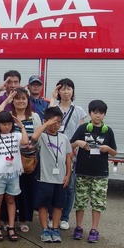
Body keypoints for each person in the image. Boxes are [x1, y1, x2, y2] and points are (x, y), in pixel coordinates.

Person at [70, 100, 118, 243]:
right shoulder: (83, 128)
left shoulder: (108, 131)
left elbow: (115, 152)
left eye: (101, 113)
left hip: (100, 173)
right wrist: (78, 143)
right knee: (80, 202)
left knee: (97, 203)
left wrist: (107, 149)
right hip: (83, 171)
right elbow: (70, 145)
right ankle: (78, 227)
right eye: (95, 112)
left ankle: (94, 229)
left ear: (104, 115)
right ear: (90, 113)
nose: (98, 116)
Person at [30, 107, 73, 243]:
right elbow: (34, 137)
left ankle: (55, 228)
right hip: (44, 177)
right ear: (46, 121)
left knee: (58, 205)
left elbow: (68, 158)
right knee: (43, 204)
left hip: (60, 178)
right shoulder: (42, 136)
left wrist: (68, 175)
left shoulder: (64, 138)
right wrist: (46, 125)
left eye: (59, 122)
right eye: (53, 122)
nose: (56, 125)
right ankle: (45, 229)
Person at [50, 78, 86, 230]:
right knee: (53, 186)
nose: (66, 92)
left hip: (72, 153)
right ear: (58, 91)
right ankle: (53, 216)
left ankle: (65, 217)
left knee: (70, 187)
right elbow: (48, 119)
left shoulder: (79, 111)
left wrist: (73, 150)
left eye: (69, 88)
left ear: (73, 91)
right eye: (63, 89)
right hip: (53, 153)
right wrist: (52, 97)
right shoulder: (55, 108)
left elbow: (81, 133)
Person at [0, 111, 29, 242]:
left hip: (13, 173)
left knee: (11, 199)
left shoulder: (16, 135)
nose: (7, 127)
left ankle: (11, 227)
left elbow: (26, 142)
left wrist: (21, 126)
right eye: (4, 124)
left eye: (9, 124)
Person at [10, 88, 42, 232]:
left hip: (29, 161)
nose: (21, 101)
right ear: (13, 100)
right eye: (17, 98)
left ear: (28, 101)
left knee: (26, 191)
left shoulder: (34, 117)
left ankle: (24, 220)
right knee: (10, 191)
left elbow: (38, 137)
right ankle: (8, 220)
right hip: (11, 161)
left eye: (24, 98)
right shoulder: (9, 116)